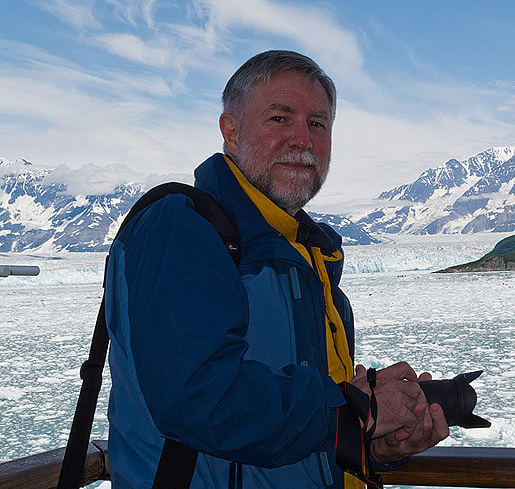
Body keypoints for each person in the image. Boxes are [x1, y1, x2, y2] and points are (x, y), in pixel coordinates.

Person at [105, 50, 448, 488]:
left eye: (318, 124)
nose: (302, 140)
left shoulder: (310, 258)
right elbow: (197, 399)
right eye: (280, 119)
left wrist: (371, 442)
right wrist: (353, 409)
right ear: (231, 131)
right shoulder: (183, 229)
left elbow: (309, 432)